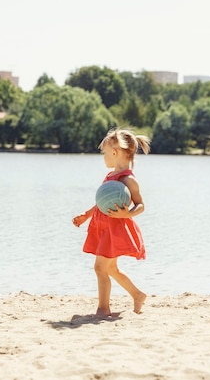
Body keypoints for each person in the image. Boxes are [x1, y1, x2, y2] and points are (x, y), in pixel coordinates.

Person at [72, 128, 151, 315]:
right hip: (102, 226)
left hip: (114, 229)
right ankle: (137, 294)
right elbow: (102, 202)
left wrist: (127, 214)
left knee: (100, 268)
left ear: (115, 153)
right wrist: (86, 214)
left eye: (105, 153)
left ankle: (103, 308)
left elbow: (141, 205)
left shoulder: (129, 180)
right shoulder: (110, 176)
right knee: (111, 268)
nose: (104, 157)